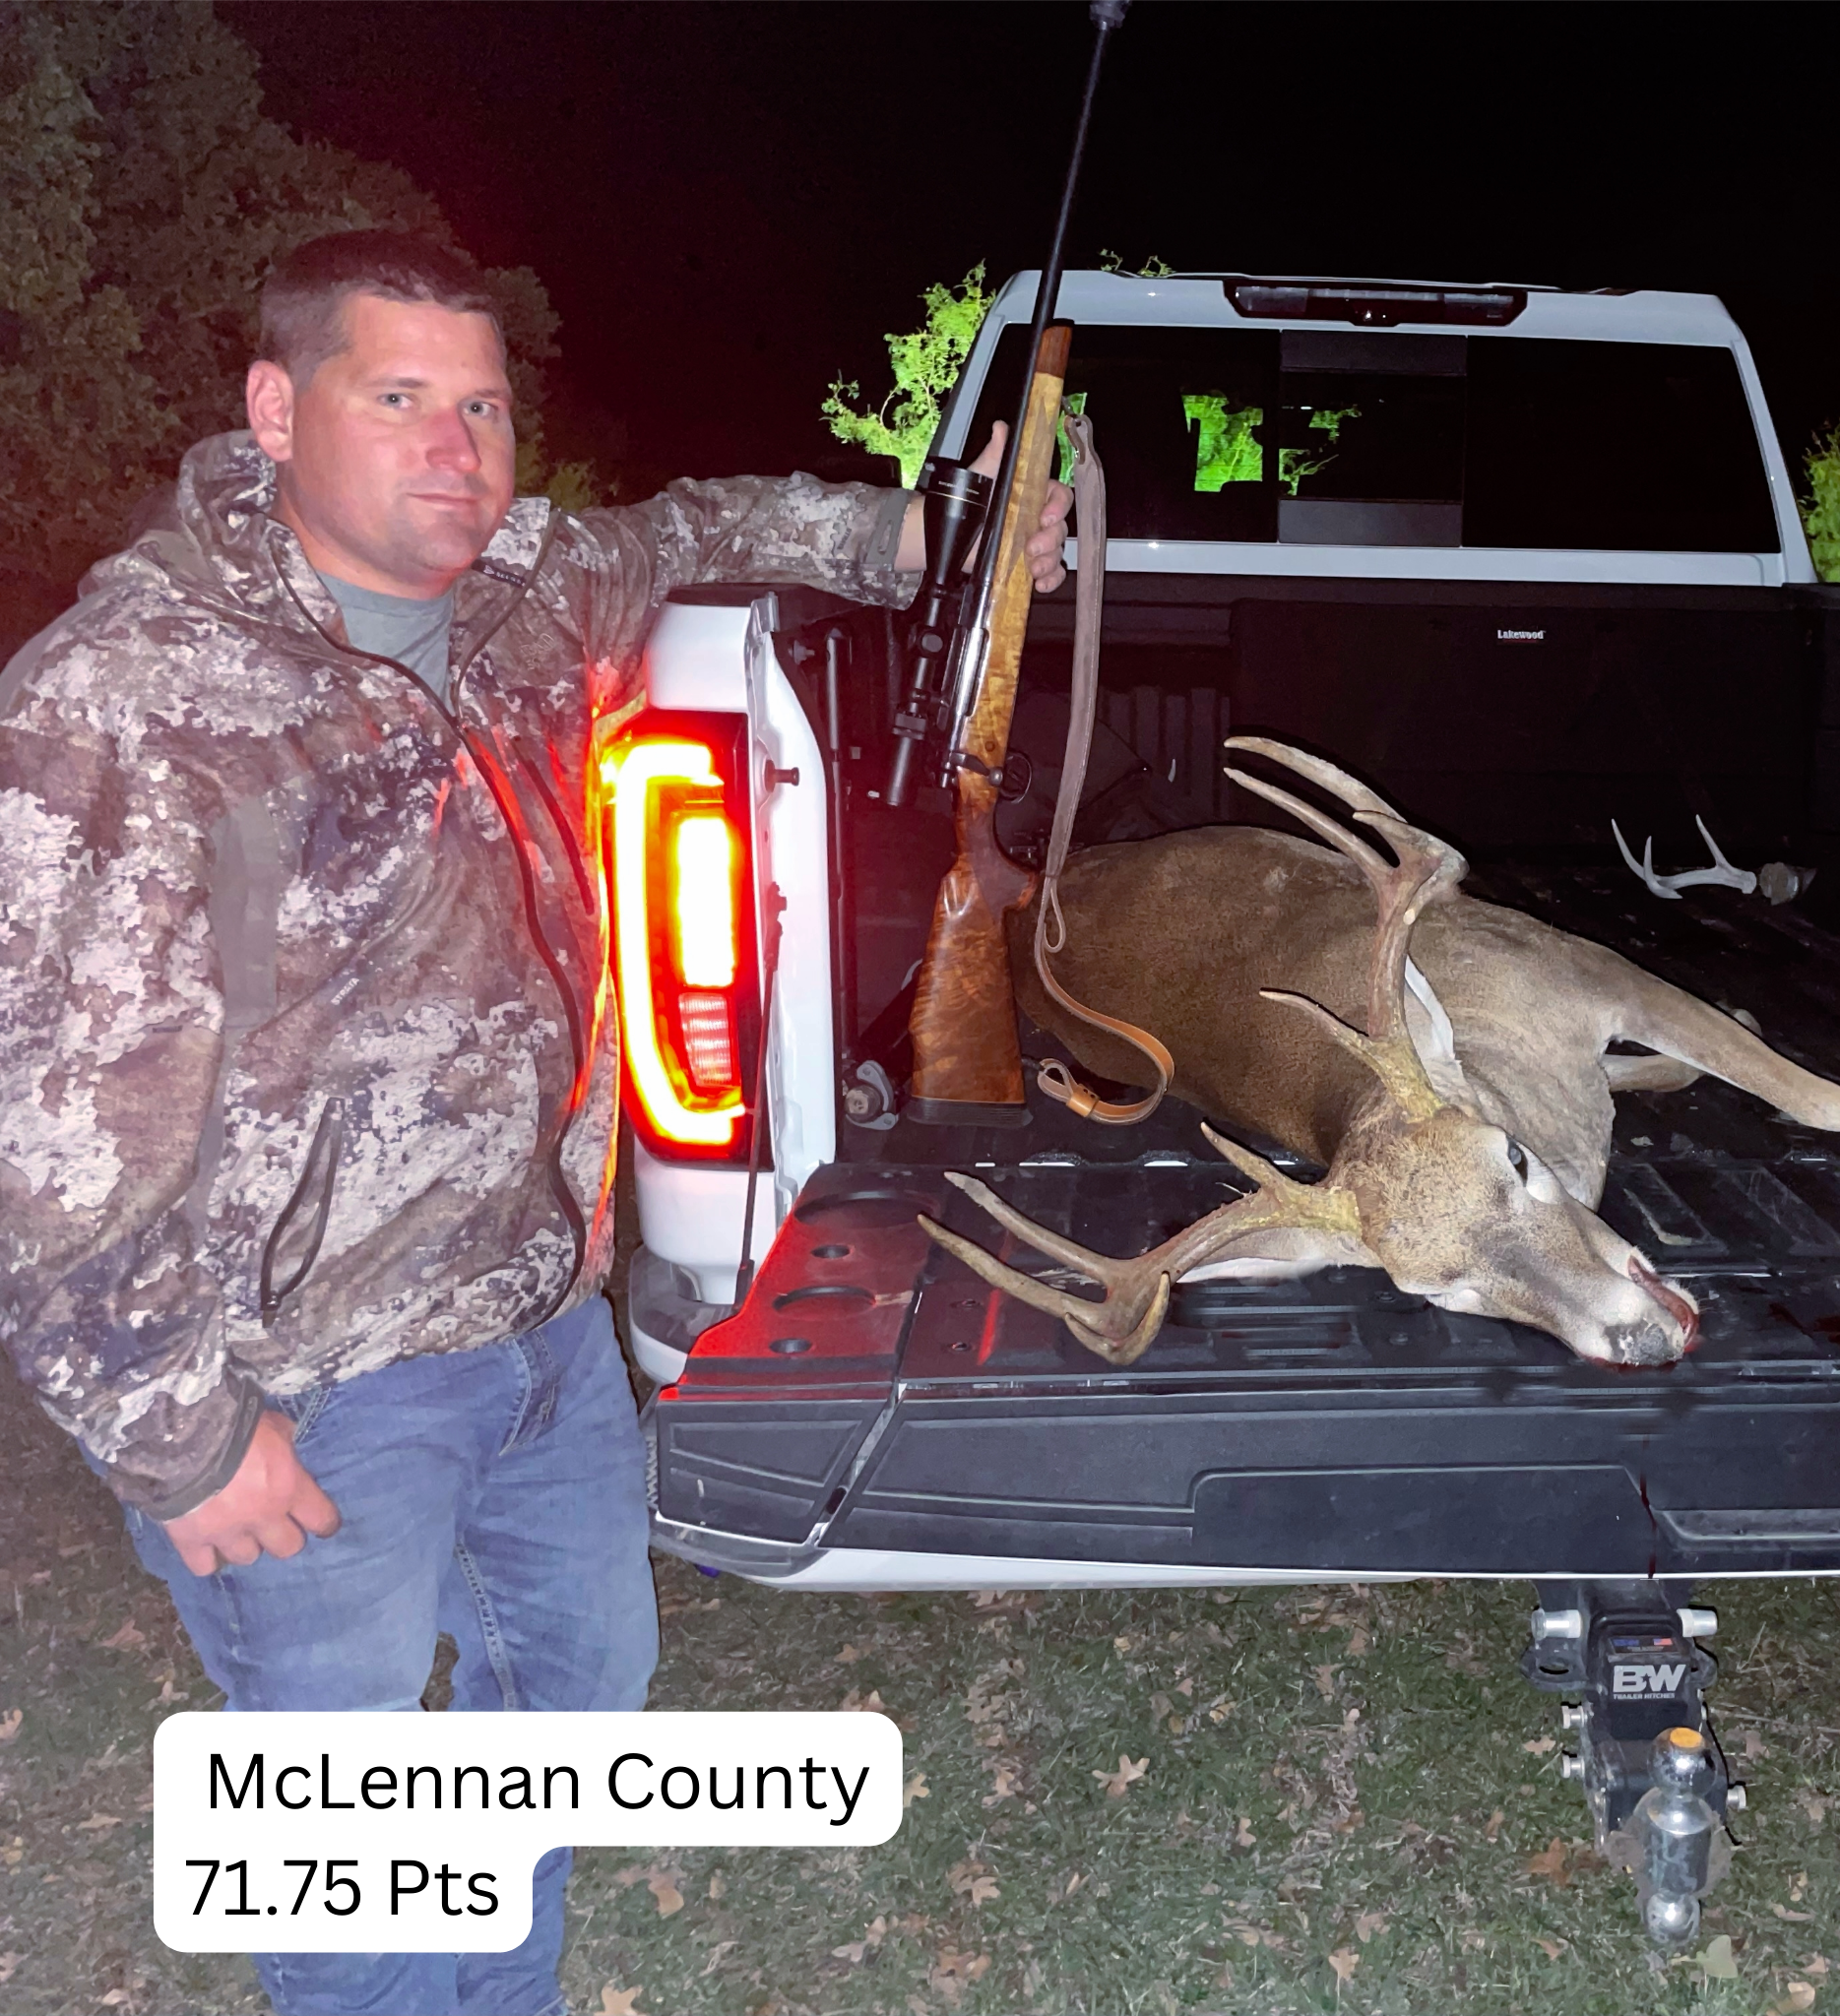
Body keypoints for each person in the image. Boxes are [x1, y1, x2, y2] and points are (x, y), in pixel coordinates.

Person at [0, 229, 1069, 2016]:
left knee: (571, 1696)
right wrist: (178, 1434)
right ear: (275, 410)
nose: (456, 445)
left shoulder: (514, 587)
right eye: (397, 395)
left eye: (482, 404)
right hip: (310, 1381)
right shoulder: (122, 703)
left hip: (538, 1330)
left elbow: (691, 531)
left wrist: (923, 538)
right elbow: (46, 1136)